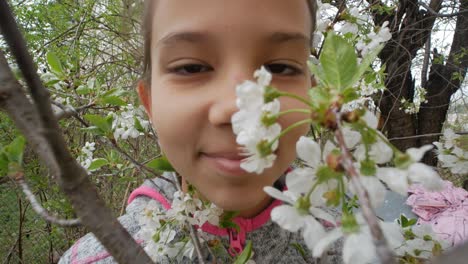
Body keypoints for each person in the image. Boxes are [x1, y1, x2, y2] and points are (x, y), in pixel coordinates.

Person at [59, 0, 344, 263]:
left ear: (313, 98)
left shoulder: (353, 248)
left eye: (280, 67)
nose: (236, 109)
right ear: (149, 103)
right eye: (191, 67)